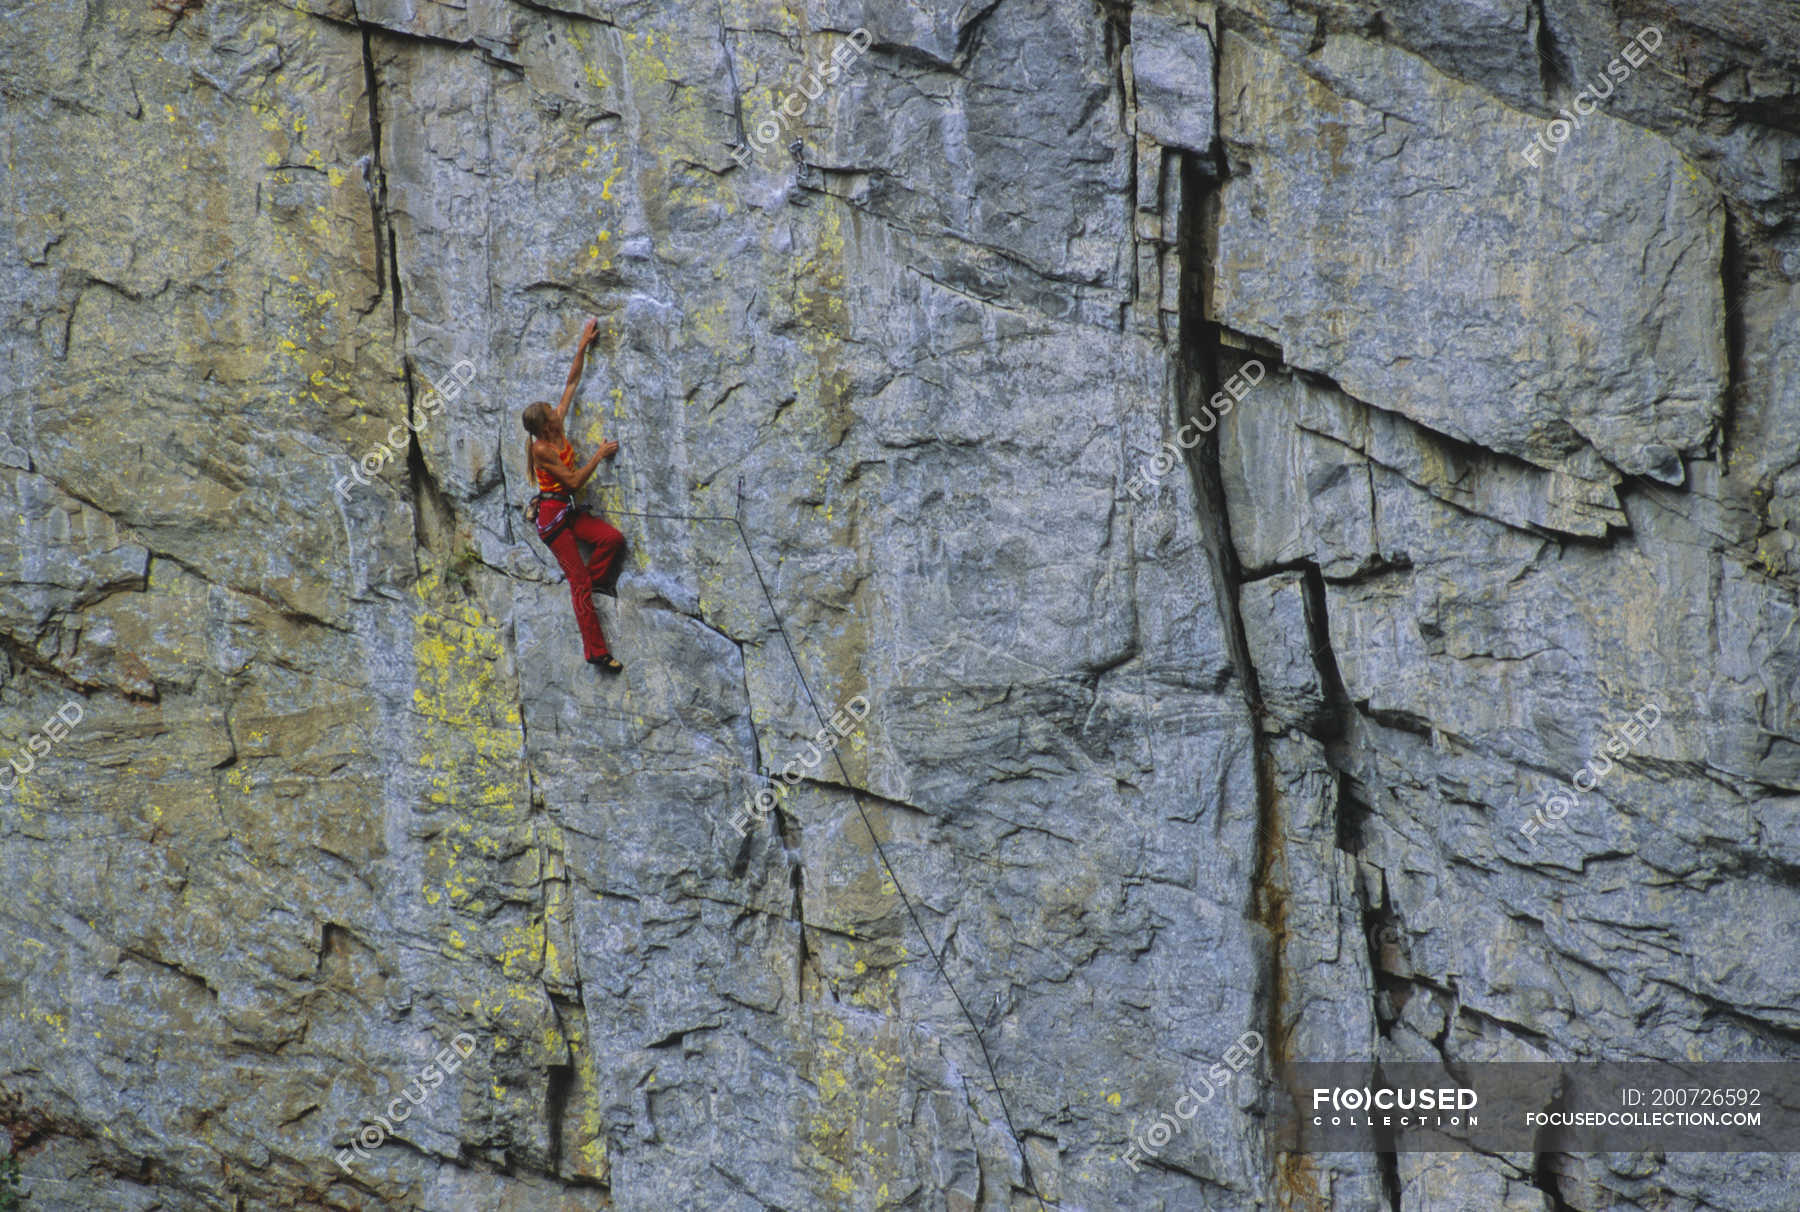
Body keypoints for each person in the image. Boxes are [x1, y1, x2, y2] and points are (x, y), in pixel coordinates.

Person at [522, 318, 628, 674]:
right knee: (577, 583)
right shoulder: (541, 450)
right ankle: (595, 651)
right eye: (552, 415)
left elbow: (571, 381)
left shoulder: (556, 424)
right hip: (554, 520)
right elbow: (571, 483)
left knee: (612, 539)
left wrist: (582, 344)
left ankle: (594, 582)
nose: (558, 412)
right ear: (544, 427)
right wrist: (598, 455)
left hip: (567, 512)